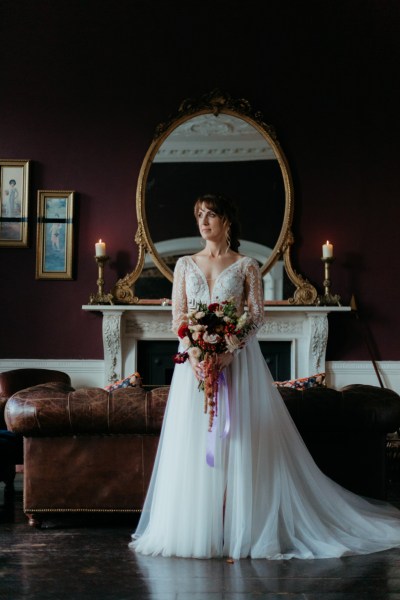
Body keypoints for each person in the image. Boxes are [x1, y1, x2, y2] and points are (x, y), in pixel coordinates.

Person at [130, 193, 400, 560]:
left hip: (238, 365)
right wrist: (194, 351)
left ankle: (243, 528)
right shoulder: (184, 266)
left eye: (211, 214)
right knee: (194, 443)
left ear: (227, 221)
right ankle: (197, 531)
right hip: (192, 368)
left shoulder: (247, 266)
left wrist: (228, 350)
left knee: (240, 440)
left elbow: (256, 316)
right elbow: (178, 314)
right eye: (199, 215)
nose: (204, 221)